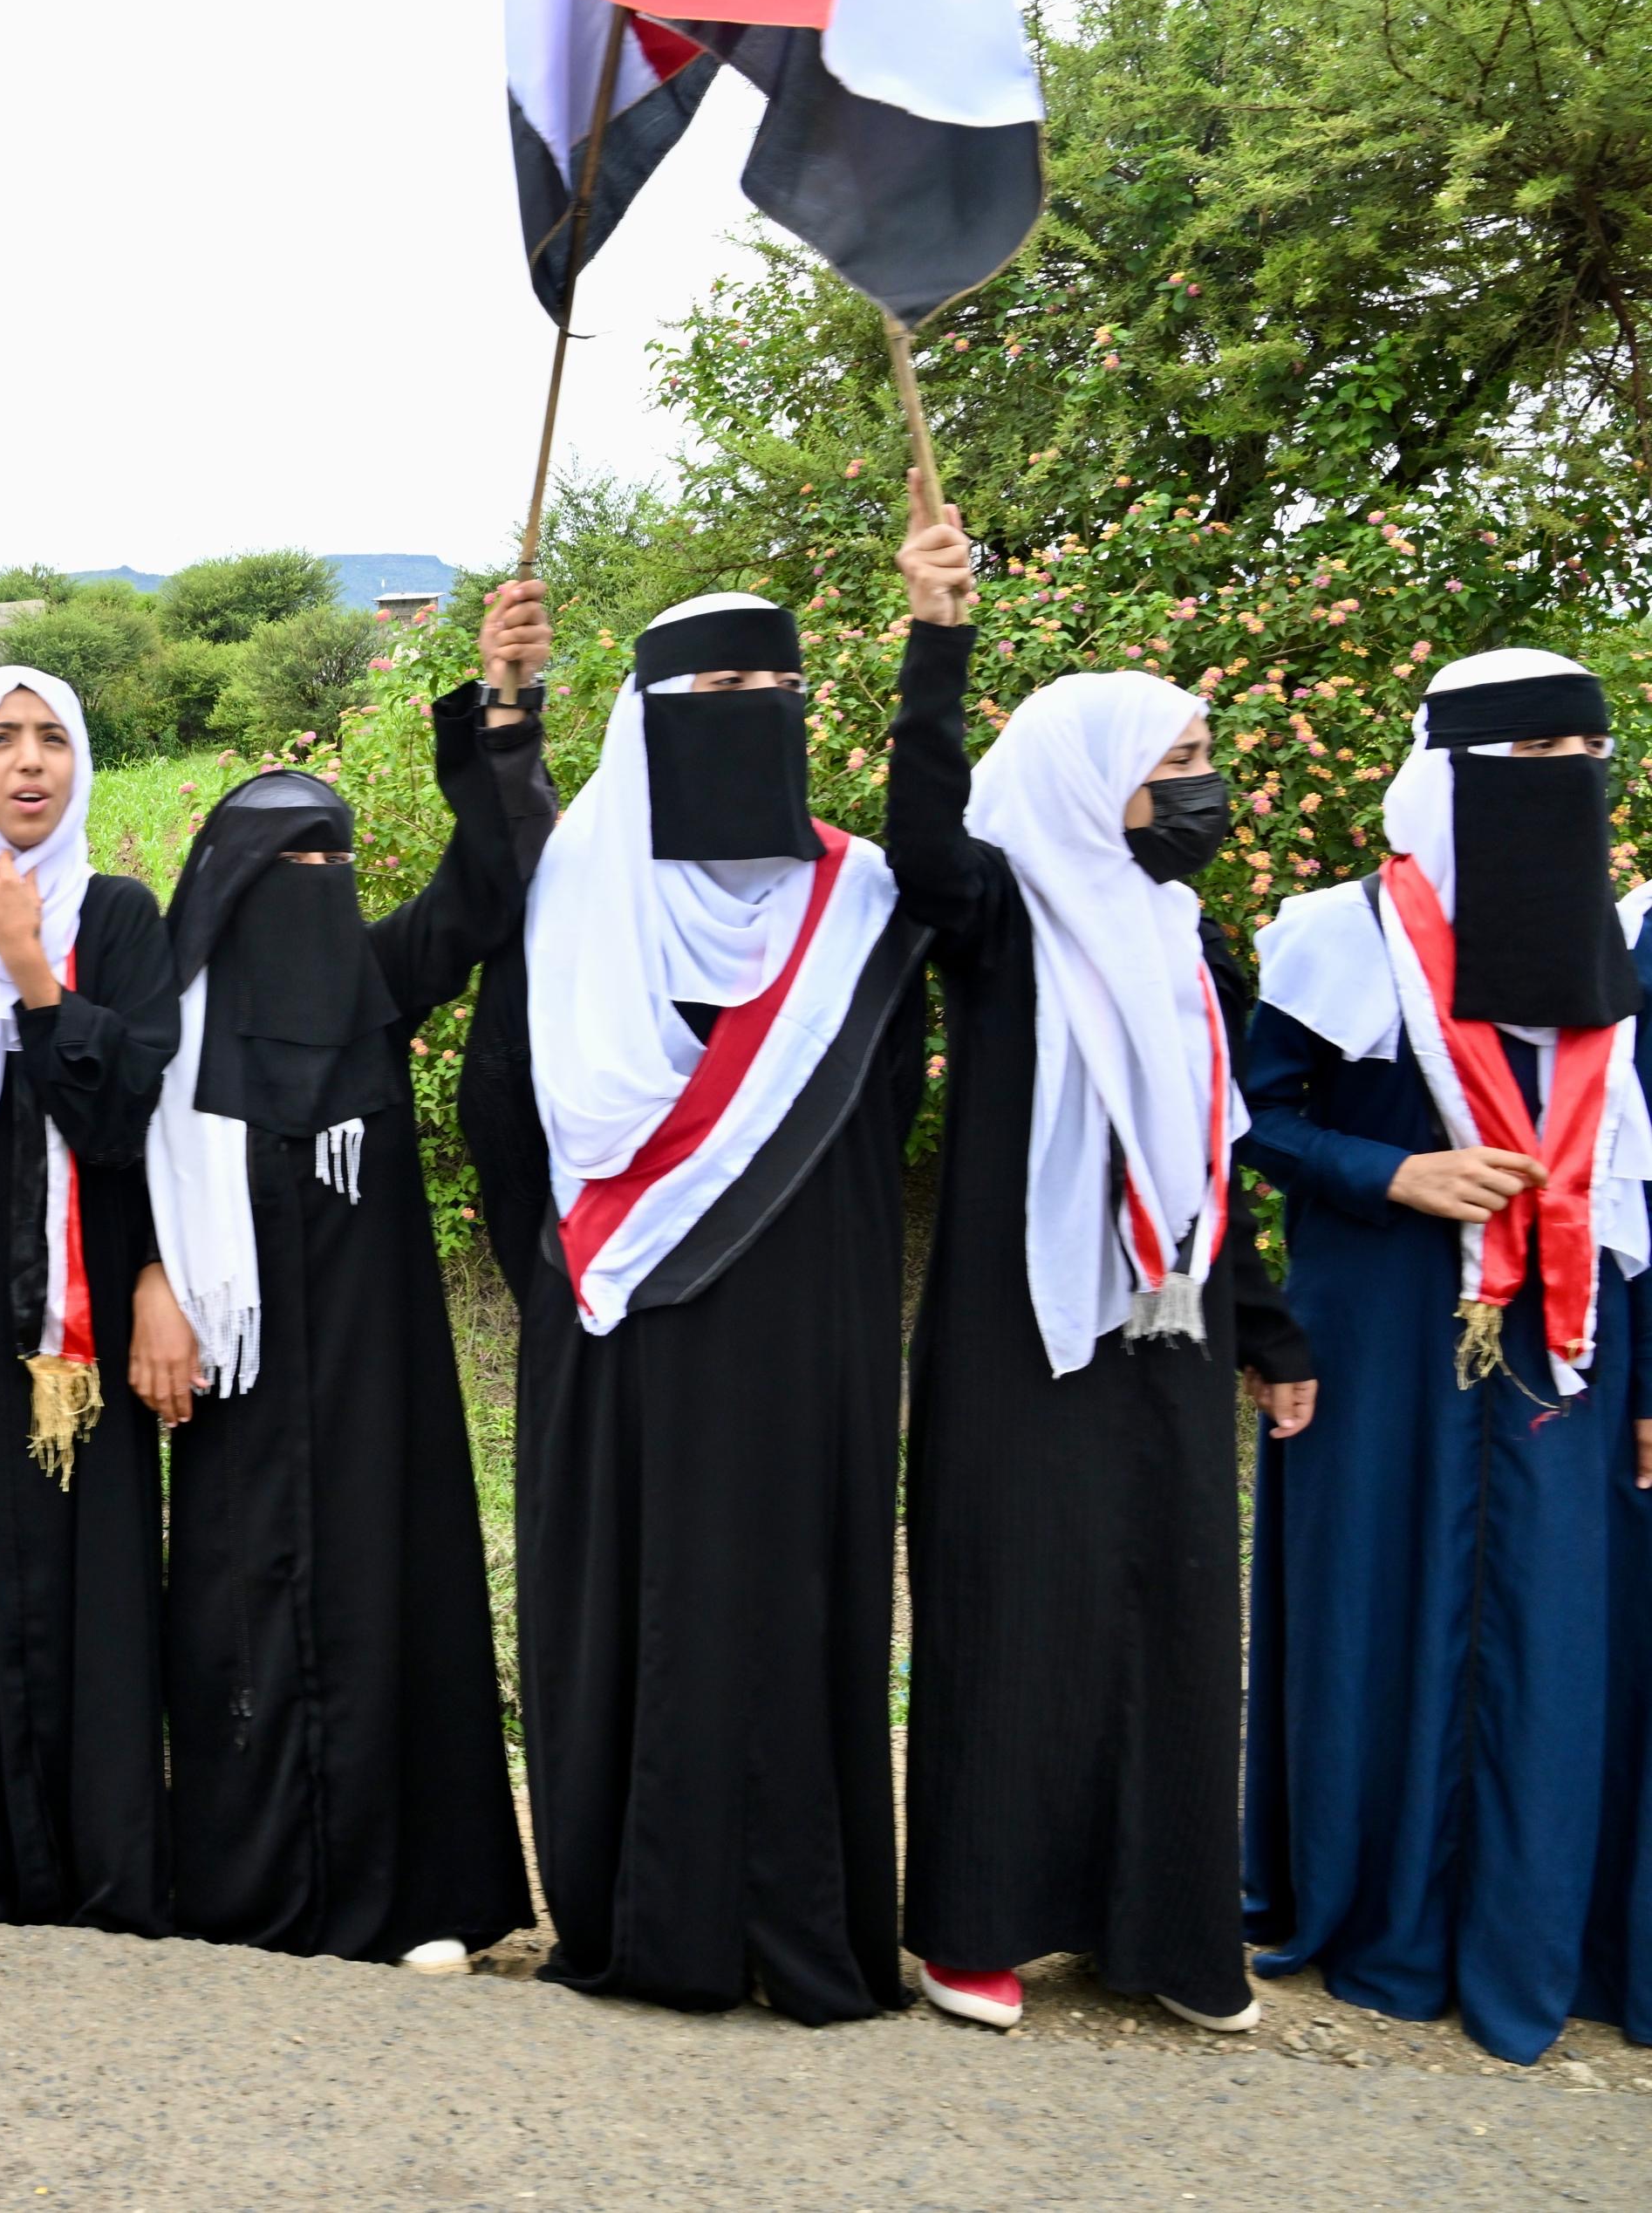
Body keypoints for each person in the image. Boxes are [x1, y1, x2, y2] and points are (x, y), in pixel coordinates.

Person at [876, 502, 1314, 2035]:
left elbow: (1218, 1151)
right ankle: (978, 1925)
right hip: (1028, 1323)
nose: (1200, 790)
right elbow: (922, 838)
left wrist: (1271, 1331)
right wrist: (940, 642)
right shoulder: (1001, 913)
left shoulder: (1185, 935)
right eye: (1171, 765)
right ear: (1086, 781)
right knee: (1020, 1608)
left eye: (1199, 762)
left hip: (1174, 1330)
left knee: (1174, 1609)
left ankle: (1171, 1930)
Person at [466, 585, 930, 2025]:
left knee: (794, 1606)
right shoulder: (570, 887)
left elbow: (884, 1103)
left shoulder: (855, 894)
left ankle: (804, 1923)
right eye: (712, 683)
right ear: (647, 713)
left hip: (808, 1325)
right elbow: (503, 1107)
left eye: (770, 682)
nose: (748, 708)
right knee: (641, 1603)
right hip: (618, 1327)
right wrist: (503, 703)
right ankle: (637, 1915)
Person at [1241, 645, 1652, 2066]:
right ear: (1453, 766)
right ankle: (1369, 1911)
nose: (1558, 784)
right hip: (1385, 1325)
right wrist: (1393, 1171)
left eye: (1576, 758)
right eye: (1525, 757)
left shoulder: (1631, 938)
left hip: (1575, 1343)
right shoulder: (1335, 934)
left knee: (1555, 1621)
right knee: (1375, 1598)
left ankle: (1543, 1930)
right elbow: (1249, 1115)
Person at [147, 591, 552, 1967]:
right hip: (236, 1392)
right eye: (283, 870)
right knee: (233, 1613)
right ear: (225, 891)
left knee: (393, 1604)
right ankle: (246, 1884)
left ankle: (407, 1897)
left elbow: (491, 883)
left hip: (383, 1392)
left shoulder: (381, 986)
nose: (317, 886)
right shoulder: (175, 1043)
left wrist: (504, 710)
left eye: (336, 860)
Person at [0, 665, 180, 1932]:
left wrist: (30, 969)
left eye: (53, 737)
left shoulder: (117, 913)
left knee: (95, 1580)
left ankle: (99, 1869)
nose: (28, 761)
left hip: (87, 1317)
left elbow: (126, 1118)